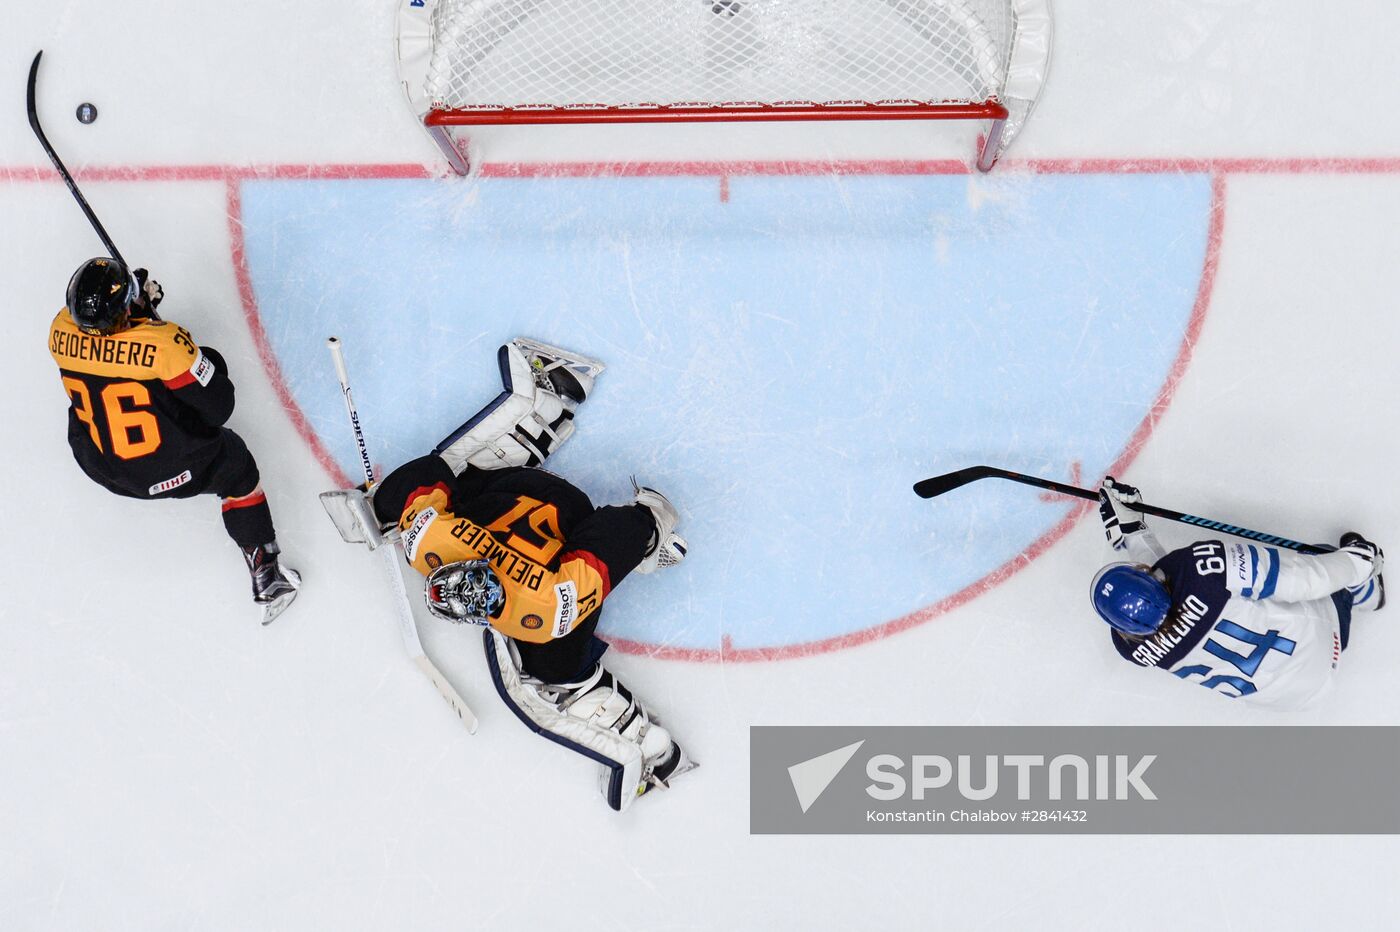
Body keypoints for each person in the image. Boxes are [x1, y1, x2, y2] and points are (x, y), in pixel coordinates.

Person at [364, 338, 693, 811]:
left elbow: (596, 562)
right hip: (514, 488)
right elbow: (423, 476)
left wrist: (647, 525)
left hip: (560, 511)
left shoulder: (537, 606)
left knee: (555, 665)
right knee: (408, 494)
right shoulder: (430, 545)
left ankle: (540, 408)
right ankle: (538, 402)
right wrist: (386, 508)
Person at [48, 257, 299, 623]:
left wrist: (133, 309)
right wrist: (190, 351)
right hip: (169, 472)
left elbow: (111, 345)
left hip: (102, 467)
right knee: (237, 468)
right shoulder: (166, 345)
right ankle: (267, 577)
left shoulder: (59, 331)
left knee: (88, 400)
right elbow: (220, 407)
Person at [1091, 476, 1384, 708]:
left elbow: (1168, 598)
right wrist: (1359, 563)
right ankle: (1364, 592)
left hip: (1296, 698)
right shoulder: (1207, 572)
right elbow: (1304, 579)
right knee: (1322, 559)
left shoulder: (1132, 650)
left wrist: (1133, 531)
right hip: (1323, 643)